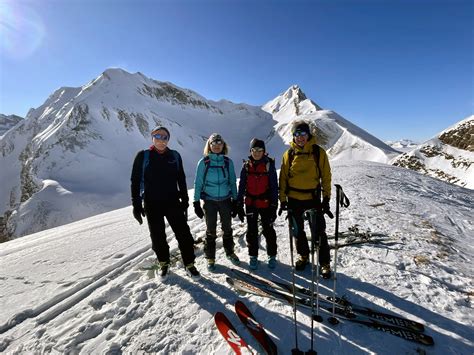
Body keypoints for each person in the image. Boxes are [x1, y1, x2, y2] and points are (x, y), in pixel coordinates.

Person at [130, 126, 200, 279]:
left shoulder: (175, 156)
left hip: (173, 201)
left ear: (168, 139)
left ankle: (189, 264)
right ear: (152, 137)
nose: (161, 140)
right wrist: (136, 204)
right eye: (158, 136)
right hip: (152, 203)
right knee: (157, 236)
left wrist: (185, 199)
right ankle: (164, 263)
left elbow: (181, 178)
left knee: (184, 234)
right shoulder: (143, 156)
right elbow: (135, 181)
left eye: (165, 137)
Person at [278, 120, 333, 277]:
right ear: (293, 136)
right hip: (294, 199)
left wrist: (326, 197)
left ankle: (324, 263)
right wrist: (282, 200)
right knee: (298, 231)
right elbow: (283, 178)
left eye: (303, 134)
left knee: (319, 232)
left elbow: (326, 176)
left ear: (308, 135)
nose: (300, 137)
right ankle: (303, 255)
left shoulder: (318, 152)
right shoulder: (288, 154)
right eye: (297, 134)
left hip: (313, 198)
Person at [193, 133, 240, 271]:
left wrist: (236, 200)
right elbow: (198, 183)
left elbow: (232, 182)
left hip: (225, 200)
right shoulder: (204, 162)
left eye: (220, 143)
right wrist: (196, 202)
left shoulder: (228, 162)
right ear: (209, 146)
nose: (217, 146)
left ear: (223, 145)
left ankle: (230, 252)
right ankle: (210, 258)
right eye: (214, 144)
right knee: (210, 231)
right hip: (209, 201)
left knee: (227, 229)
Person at [236, 138, 279, 270]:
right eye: (254, 150)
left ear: (264, 151)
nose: (257, 153)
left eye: (259, 150)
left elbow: (274, 186)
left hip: (265, 203)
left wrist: (274, 205)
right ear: (250, 151)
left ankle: (272, 255)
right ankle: (253, 256)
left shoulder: (268, 165)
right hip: (250, 203)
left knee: (268, 230)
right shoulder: (246, 166)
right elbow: (242, 185)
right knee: (252, 230)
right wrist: (239, 203)